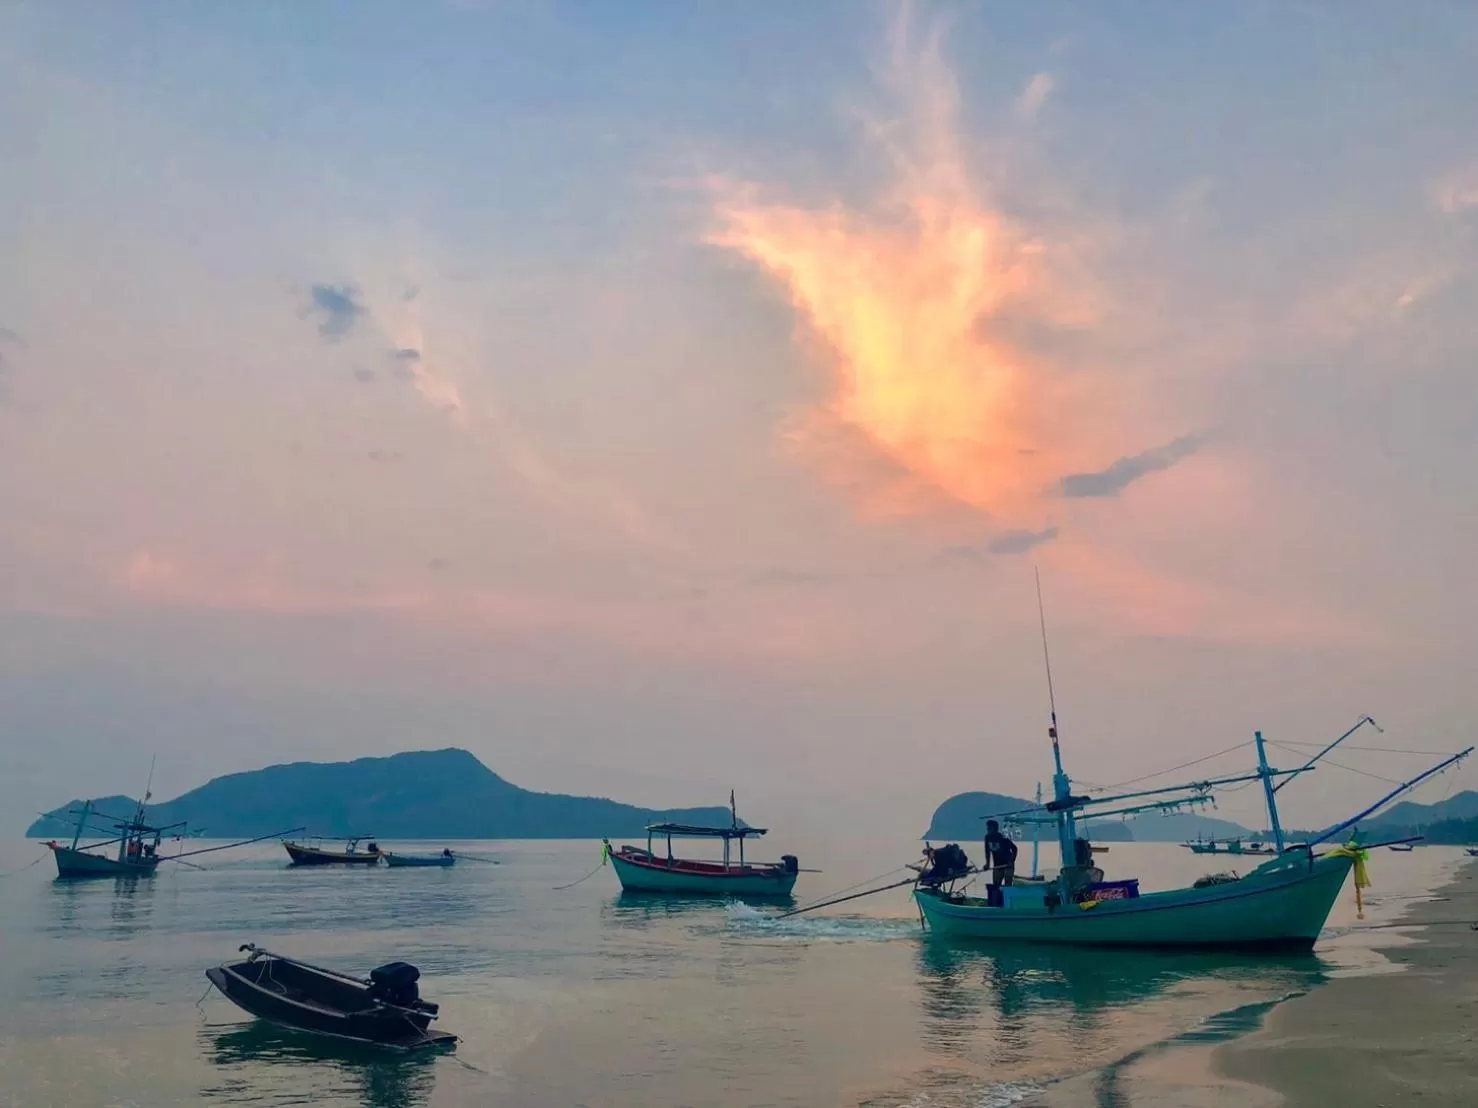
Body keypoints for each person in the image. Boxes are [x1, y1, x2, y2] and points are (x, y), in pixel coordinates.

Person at [983, 820, 1018, 887]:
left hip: (1007, 865)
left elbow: (1014, 849)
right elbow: (987, 852)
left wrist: (1011, 861)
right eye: (987, 828)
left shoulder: (1002, 838)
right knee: (996, 885)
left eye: (990, 828)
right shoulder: (987, 838)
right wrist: (987, 864)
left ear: (995, 829)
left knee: (1007, 885)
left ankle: (1007, 893)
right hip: (997, 865)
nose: (988, 829)